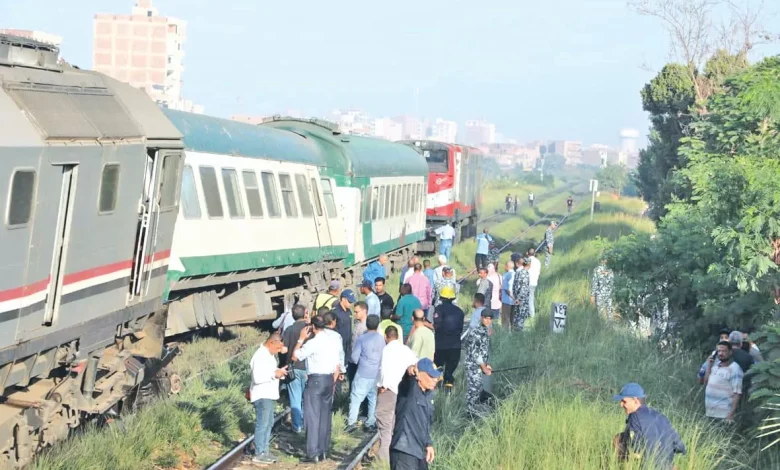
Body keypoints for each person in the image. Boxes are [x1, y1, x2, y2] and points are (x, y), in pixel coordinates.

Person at [292, 315, 345, 463]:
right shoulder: (332, 341)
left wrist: (301, 339)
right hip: (329, 379)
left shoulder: (313, 342)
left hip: (316, 380)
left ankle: (312, 453)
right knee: (325, 416)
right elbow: (337, 365)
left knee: (313, 417)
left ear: (313, 327)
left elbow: (295, 356)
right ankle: (323, 451)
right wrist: (332, 382)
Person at [613, 383, 686, 469]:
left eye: (624, 401)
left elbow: (636, 448)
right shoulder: (661, 416)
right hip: (667, 466)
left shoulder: (634, 417)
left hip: (649, 466)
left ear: (635, 401)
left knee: (618, 439)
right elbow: (680, 446)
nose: (621, 404)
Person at [376, 326, 419, 463]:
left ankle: (384, 459)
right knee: (397, 424)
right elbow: (416, 364)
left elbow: (384, 370)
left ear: (385, 336)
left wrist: (382, 385)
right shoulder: (406, 350)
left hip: (389, 390)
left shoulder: (387, 350)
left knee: (385, 424)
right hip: (404, 392)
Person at [389, 358, 440, 470]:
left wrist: (428, 443)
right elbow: (407, 379)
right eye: (431, 376)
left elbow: (424, 423)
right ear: (419, 375)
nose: (435, 379)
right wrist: (410, 370)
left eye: (436, 376)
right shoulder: (409, 390)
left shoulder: (428, 395)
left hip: (419, 451)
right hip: (404, 450)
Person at [249, 333, 289, 464]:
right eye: (278, 348)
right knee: (263, 424)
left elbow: (270, 371)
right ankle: (259, 452)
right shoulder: (260, 355)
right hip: (262, 395)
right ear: (271, 343)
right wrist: (274, 374)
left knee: (269, 423)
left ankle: (264, 450)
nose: (278, 351)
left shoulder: (268, 355)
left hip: (268, 394)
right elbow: (257, 378)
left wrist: (279, 372)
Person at [347, 315, 384, 433]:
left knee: (356, 397)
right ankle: (370, 422)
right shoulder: (382, 339)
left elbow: (354, 357)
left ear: (367, 324)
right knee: (373, 398)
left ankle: (352, 422)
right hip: (376, 373)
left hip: (363, 371)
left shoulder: (362, 339)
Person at [281, 304, 309, 434]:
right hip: (308, 368)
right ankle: (306, 424)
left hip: (293, 368)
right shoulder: (310, 329)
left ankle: (297, 427)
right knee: (306, 398)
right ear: (305, 314)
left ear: (292, 316)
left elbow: (284, 349)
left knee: (295, 398)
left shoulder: (289, 329)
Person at [433, 285, 465, 390]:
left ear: (441, 298)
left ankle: (438, 389)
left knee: (438, 368)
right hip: (455, 345)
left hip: (440, 345)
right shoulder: (460, 312)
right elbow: (460, 329)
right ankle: (448, 391)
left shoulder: (438, 309)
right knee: (450, 371)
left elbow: (437, 326)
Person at [704, 341, 743, 423]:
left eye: (724, 351)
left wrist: (730, 414)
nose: (721, 353)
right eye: (719, 351)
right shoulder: (715, 366)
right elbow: (706, 382)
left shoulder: (735, 369)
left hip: (723, 415)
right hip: (710, 412)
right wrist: (709, 366)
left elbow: (737, 393)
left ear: (730, 352)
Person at [463, 309, 493, 415]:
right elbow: (476, 353)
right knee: (474, 389)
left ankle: (472, 411)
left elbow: (483, 350)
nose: (488, 321)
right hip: (472, 365)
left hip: (478, 366)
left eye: (490, 319)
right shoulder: (476, 332)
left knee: (478, 387)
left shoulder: (484, 331)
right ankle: (468, 412)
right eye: (486, 318)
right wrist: (484, 368)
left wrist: (486, 365)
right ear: (481, 318)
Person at [333, 289, 356, 363]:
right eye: (349, 301)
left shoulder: (349, 311)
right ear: (343, 299)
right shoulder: (335, 312)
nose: (351, 304)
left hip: (348, 345)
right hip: (339, 345)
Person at [348, 301, 369, 383]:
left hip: (361, 360)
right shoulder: (356, 322)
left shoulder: (367, 326)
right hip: (352, 358)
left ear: (364, 311)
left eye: (357, 312)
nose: (354, 314)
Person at [511, 257, 531, 331]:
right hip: (522, 298)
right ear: (529, 264)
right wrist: (519, 298)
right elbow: (524, 288)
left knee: (516, 314)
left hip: (516, 297)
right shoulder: (525, 273)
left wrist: (515, 297)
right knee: (521, 315)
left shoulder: (518, 272)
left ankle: (515, 329)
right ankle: (519, 331)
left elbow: (514, 285)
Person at [500, 259, 517, 327]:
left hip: (507, 300)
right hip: (515, 300)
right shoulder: (516, 274)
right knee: (513, 318)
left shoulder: (506, 275)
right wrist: (515, 298)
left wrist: (512, 297)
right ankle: (513, 333)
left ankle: (505, 334)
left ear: (507, 266)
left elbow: (507, 289)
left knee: (505, 318)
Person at [526, 248, 541, 318]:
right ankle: (531, 314)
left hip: (527, 282)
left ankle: (530, 315)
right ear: (534, 254)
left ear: (527, 253)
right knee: (531, 298)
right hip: (534, 282)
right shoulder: (538, 262)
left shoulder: (527, 260)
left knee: (527, 299)